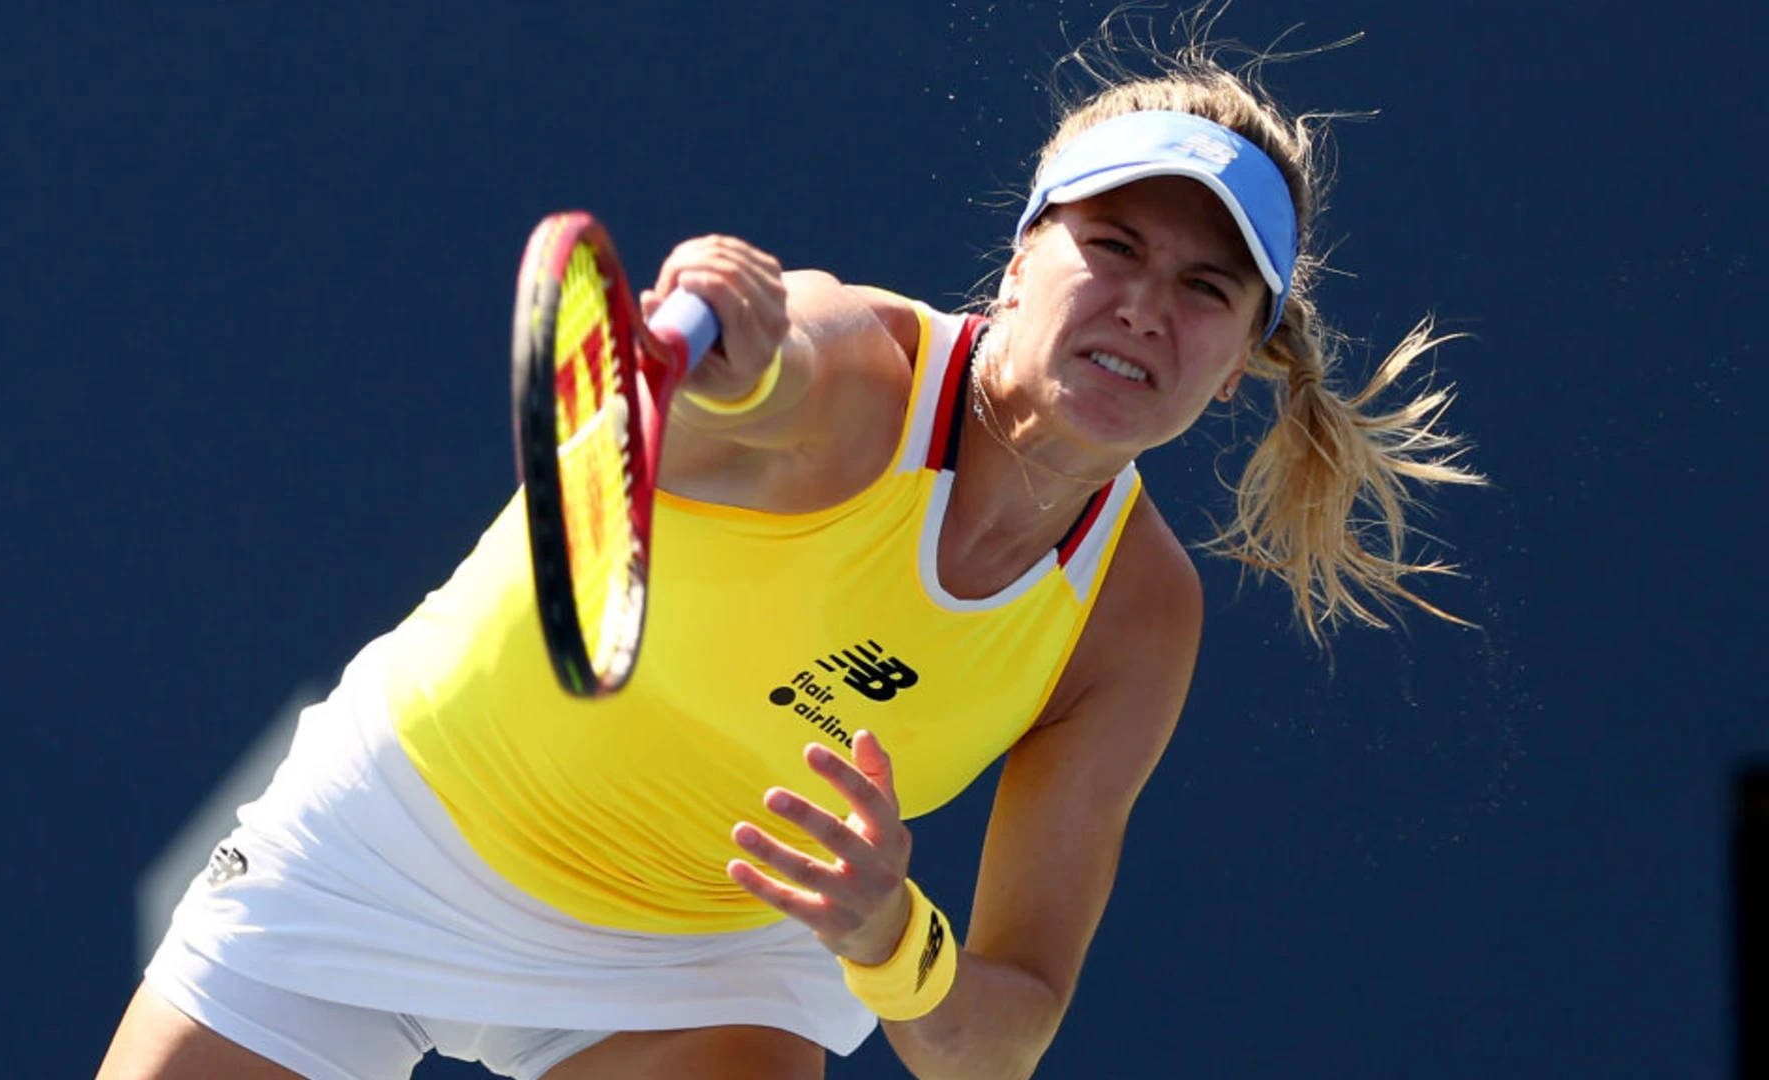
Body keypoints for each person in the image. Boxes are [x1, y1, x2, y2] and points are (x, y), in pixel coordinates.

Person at [96, 39, 1480, 1080]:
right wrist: (739, 350)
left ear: (1241, 366)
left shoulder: (1132, 618)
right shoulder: (861, 375)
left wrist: (890, 933)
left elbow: (1002, 1030)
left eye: (1205, 290)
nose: (1143, 308)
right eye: (1109, 247)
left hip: (706, 956)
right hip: (401, 836)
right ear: (1017, 266)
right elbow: (769, 381)